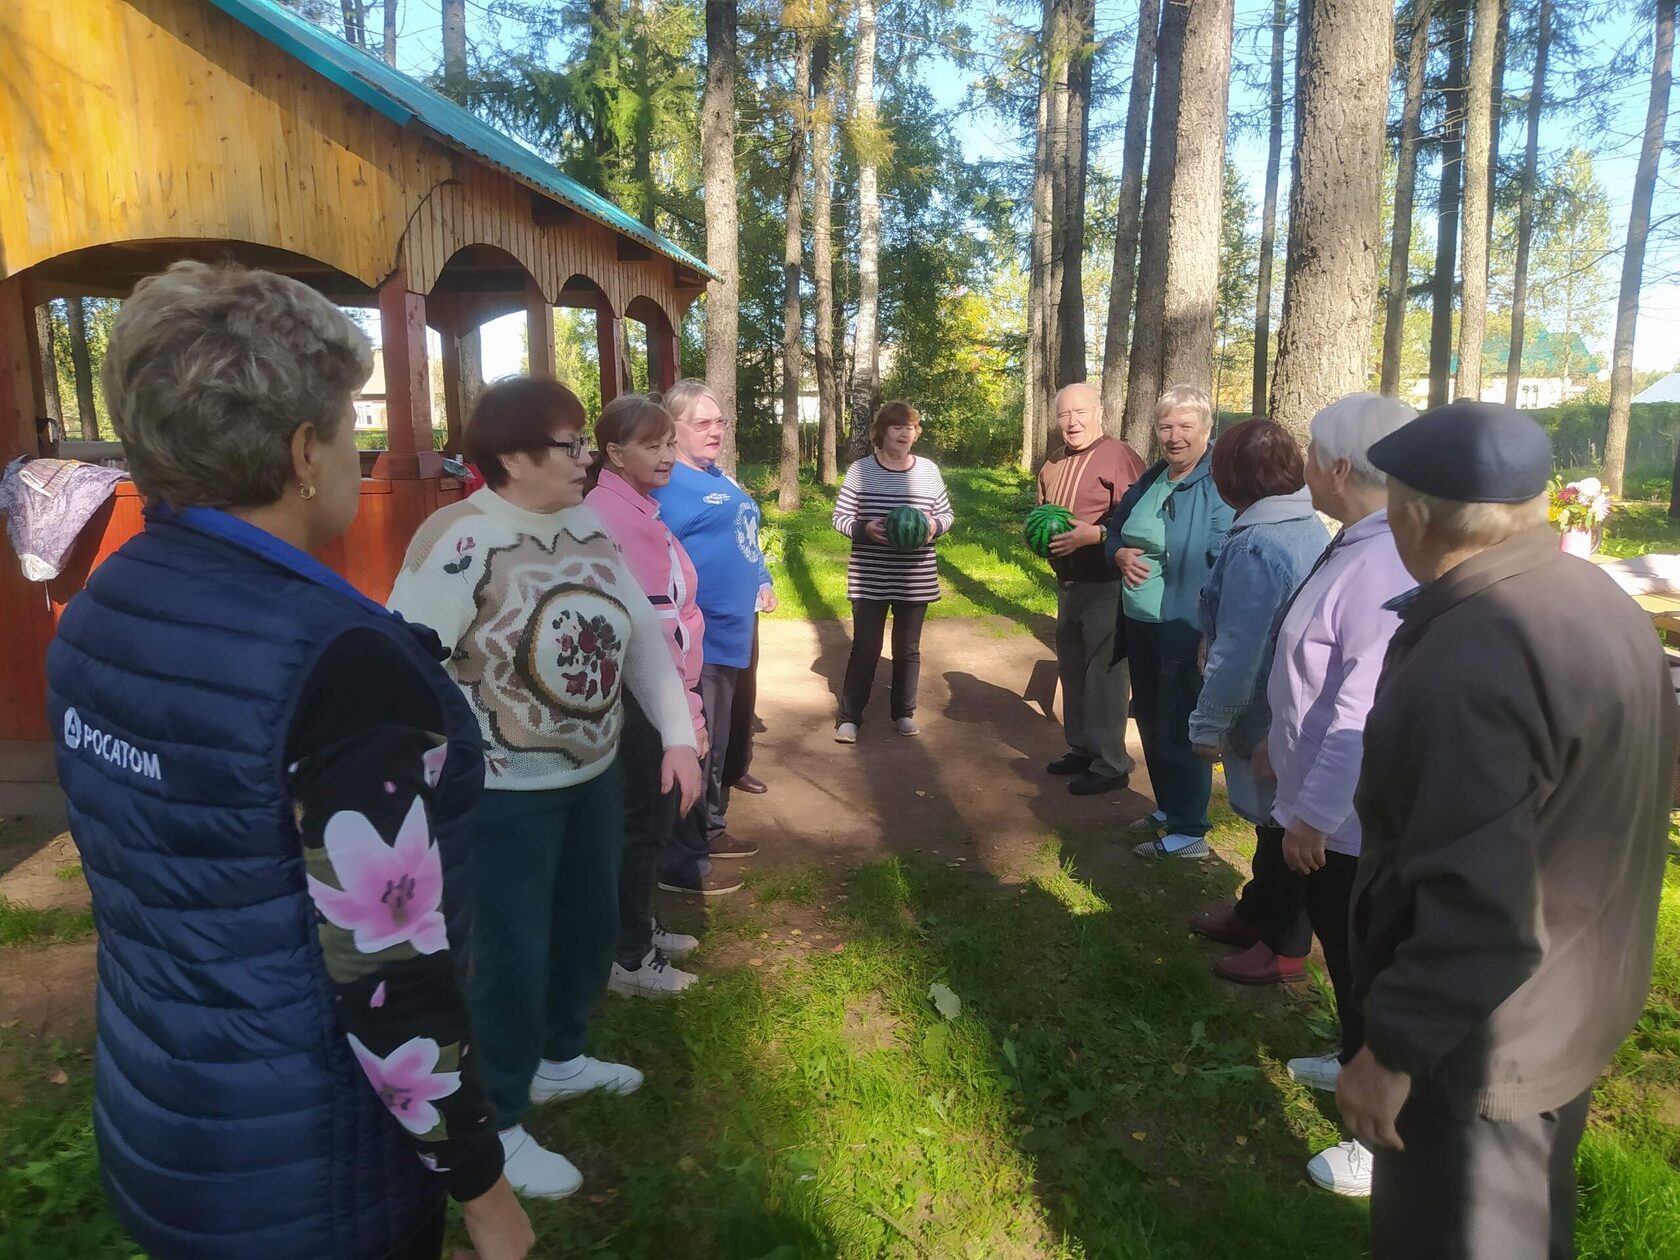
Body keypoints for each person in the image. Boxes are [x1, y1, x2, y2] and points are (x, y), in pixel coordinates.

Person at [46, 262, 532, 1260]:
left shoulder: (104, 605)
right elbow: (391, 975)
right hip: (317, 1170)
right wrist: (482, 1188)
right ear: (305, 451)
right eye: (348, 426)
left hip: (167, 1120)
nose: (355, 450)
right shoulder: (338, 660)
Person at [1338, 401, 1677, 1258]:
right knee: (1526, 1220)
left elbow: (1476, 898)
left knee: (1468, 1233)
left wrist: (1392, 1051)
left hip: (1483, 1042)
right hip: (1572, 997)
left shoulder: (1473, 656)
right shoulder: (1594, 597)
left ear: (1413, 517)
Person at [389, 377, 701, 1201]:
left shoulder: (589, 524)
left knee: (586, 924)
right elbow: (407, 668)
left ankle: (560, 1058)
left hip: (593, 775)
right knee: (507, 952)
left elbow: (640, 634)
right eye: (570, 445)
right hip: (500, 795)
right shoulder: (457, 539)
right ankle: (497, 1118)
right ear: (513, 457)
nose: (586, 458)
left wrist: (677, 734)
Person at [1187, 394, 1417, 1196]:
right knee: (1345, 959)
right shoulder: (1356, 538)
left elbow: (1359, 708)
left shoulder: (1383, 561)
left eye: (1313, 452)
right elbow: (1315, 673)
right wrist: (1279, 743)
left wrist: (1314, 815)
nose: (1304, 465)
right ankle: (1354, 1056)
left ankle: (1379, 1142)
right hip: (1318, 790)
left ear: (1340, 468)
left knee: (1364, 965)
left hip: (1343, 818)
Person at [1186, 418, 1328, 959]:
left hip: (1267, 708)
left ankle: (1282, 946)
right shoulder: (1307, 523)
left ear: (1229, 478)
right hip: (1298, 701)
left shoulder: (1256, 545)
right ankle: (1255, 912)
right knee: (1274, 827)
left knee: (1278, 823)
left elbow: (1238, 650)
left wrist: (1207, 725)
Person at [585, 393, 708, 999]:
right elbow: (656, 628)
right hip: (642, 696)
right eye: (651, 445)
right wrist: (686, 711)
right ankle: (629, 959)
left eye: (668, 443)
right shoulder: (615, 515)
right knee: (642, 827)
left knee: (647, 824)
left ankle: (636, 930)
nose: (666, 456)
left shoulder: (632, 507)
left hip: (649, 693)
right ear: (614, 452)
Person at [651, 379, 776, 895]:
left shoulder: (716, 474)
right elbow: (653, 559)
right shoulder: (667, 485)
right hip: (700, 634)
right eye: (702, 423)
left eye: (719, 421)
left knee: (721, 737)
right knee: (697, 741)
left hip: (737, 626)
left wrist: (762, 576)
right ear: (673, 428)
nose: (715, 431)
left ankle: (711, 828)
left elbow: (743, 533)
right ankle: (681, 858)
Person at [1103, 384, 1233, 858]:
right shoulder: (1154, 475)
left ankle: (1191, 830)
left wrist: (1213, 629)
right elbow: (1115, 529)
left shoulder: (1218, 485)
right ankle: (1169, 806)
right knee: (1152, 717)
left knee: (1180, 722)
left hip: (1183, 623)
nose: (1174, 436)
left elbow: (1225, 558)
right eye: (1165, 427)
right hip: (1140, 620)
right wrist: (1118, 553)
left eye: (1185, 426)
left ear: (1207, 429)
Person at [1036, 382, 1146, 795]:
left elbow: (1139, 520)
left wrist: (1095, 535)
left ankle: (1111, 763)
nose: (1072, 422)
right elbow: (1042, 512)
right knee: (1073, 668)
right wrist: (1037, 536)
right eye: (1064, 414)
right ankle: (1081, 748)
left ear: (1099, 412)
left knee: (1105, 675)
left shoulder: (1119, 455)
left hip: (1107, 582)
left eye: (1080, 412)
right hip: (1067, 582)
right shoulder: (1052, 462)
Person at [831, 401, 956, 742]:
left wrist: (933, 526)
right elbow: (840, 517)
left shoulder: (928, 471)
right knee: (865, 647)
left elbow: (947, 515)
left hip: (915, 578)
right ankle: (849, 717)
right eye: (897, 427)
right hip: (870, 577)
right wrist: (864, 529)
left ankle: (903, 712)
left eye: (910, 428)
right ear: (881, 432)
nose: (904, 433)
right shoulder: (860, 470)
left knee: (907, 649)